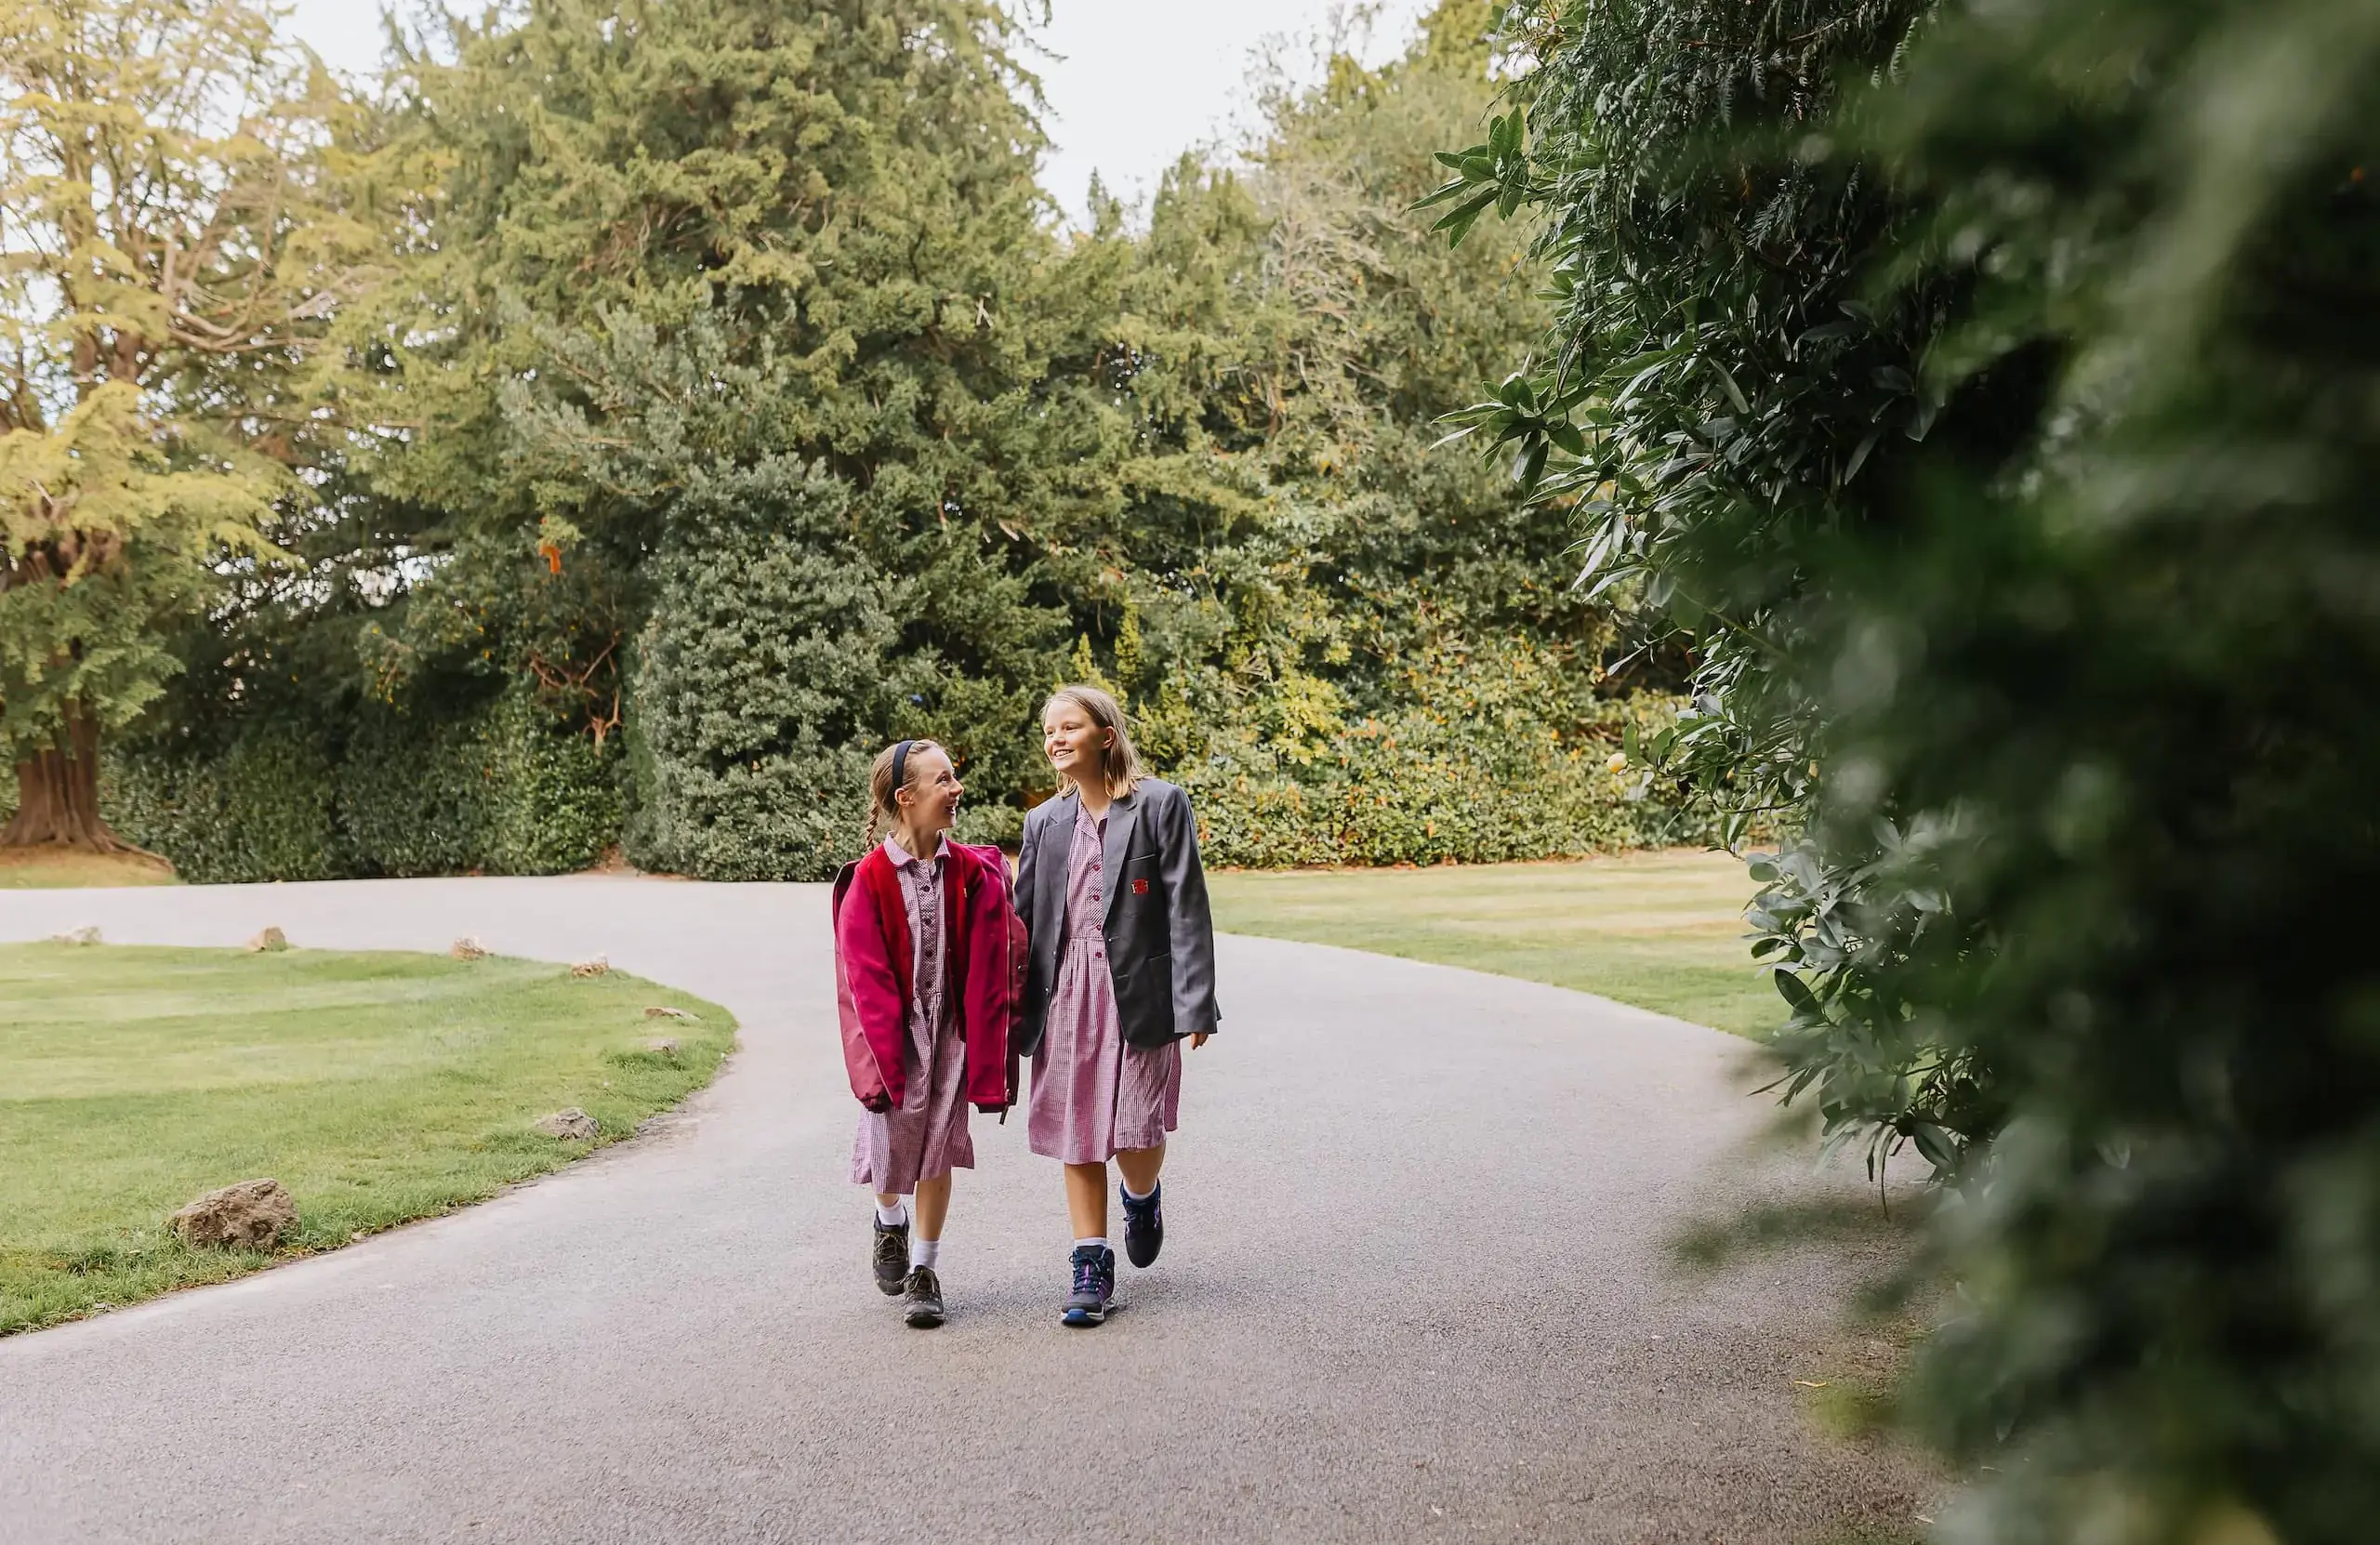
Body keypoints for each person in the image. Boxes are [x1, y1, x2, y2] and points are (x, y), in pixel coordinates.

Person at [1013, 685, 1219, 1327]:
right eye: (1049, 730)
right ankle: (1089, 1264)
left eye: (1069, 726)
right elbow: (1024, 923)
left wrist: (1197, 1001)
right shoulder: (1042, 823)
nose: (1055, 739)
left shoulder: (1160, 805)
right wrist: (1011, 1008)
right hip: (1066, 992)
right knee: (1077, 1127)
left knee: (1136, 1129)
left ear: (1105, 733)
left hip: (1139, 991)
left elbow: (1186, 906)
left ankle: (1141, 1194)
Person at [831, 738, 1020, 1328]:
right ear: (907, 798)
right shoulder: (869, 879)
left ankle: (925, 1268)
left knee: (937, 1146)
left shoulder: (969, 873)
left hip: (951, 1037)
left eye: (954, 778)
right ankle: (889, 1218)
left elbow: (997, 954)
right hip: (895, 1040)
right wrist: (883, 1061)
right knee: (892, 1152)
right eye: (943, 781)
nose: (956, 788)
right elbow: (863, 980)